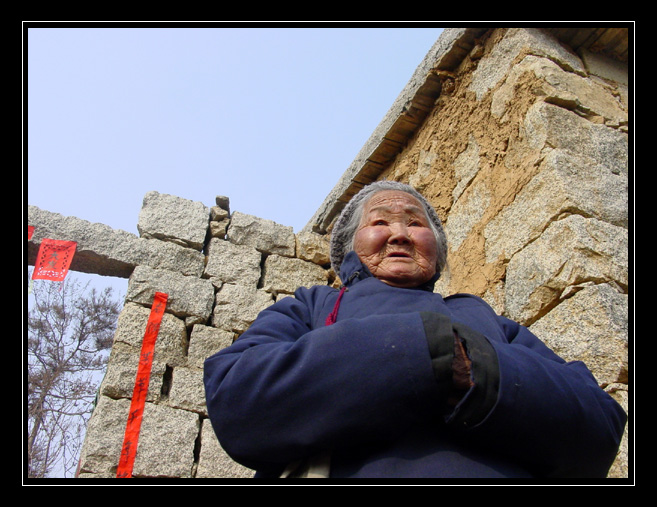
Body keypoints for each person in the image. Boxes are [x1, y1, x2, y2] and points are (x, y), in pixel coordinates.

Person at [203, 181, 627, 480]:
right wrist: (432, 352)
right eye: (381, 222)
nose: (400, 234)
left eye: (416, 223)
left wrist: (476, 370)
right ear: (354, 245)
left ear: (437, 250)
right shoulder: (311, 306)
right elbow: (239, 394)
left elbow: (598, 424)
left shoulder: (487, 320)